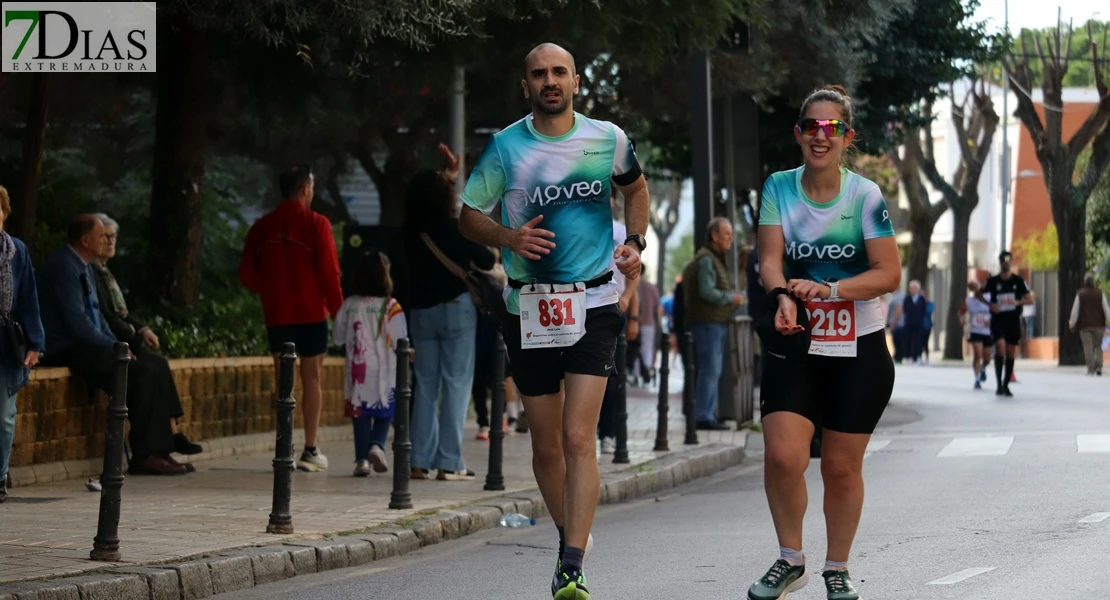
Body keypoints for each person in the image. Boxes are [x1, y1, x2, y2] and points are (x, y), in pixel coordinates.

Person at [458, 42, 648, 600]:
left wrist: (635, 241)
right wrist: (509, 237)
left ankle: (569, 566)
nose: (550, 81)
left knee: (576, 435)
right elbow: (468, 215)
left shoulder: (606, 139)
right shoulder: (506, 147)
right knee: (545, 446)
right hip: (529, 306)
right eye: (539, 73)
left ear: (576, 81)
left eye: (559, 72)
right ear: (526, 86)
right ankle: (575, 534)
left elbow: (634, 189)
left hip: (591, 303)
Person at [750, 85, 901, 600]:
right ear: (798, 134)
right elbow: (770, 258)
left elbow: (888, 273)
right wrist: (781, 295)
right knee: (783, 456)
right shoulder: (778, 188)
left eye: (832, 128)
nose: (820, 136)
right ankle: (790, 559)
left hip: (858, 346)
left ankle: (838, 567)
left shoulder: (865, 196)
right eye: (811, 127)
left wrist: (833, 289)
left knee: (839, 467)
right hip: (796, 339)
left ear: (847, 137)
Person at [38, 215, 186, 475]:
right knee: (139, 375)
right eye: (101, 236)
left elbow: (97, 316)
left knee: (151, 366)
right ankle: (144, 455)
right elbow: (78, 324)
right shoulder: (64, 266)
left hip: (86, 343)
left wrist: (118, 345)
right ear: (85, 240)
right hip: (66, 347)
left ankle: (160, 449)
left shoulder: (84, 266)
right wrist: (111, 347)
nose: (106, 239)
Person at [240, 165, 344, 472]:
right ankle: (310, 449)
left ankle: (284, 444)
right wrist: (339, 314)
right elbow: (329, 274)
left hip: (277, 313)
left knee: (282, 379)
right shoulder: (317, 224)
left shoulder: (262, 226)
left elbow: (247, 273)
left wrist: (270, 290)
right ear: (305, 189)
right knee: (312, 378)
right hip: (311, 311)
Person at [403, 156, 495, 482]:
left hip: (421, 313)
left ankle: (418, 461)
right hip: (457, 310)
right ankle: (449, 462)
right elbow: (485, 257)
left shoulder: (408, 232)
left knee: (425, 385)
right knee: (456, 384)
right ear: (446, 198)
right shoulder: (456, 227)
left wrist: (446, 177)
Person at [90, 213, 203, 459]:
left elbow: (122, 313)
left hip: (121, 340)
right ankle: (151, 450)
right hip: (111, 344)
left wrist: (141, 329)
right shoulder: (91, 271)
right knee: (147, 372)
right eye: (105, 237)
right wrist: (132, 334)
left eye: (113, 237)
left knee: (159, 363)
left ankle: (172, 433)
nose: (110, 242)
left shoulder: (105, 272)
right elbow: (106, 315)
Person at [332, 250, 408, 476]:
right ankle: (377, 445)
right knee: (386, 410)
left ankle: (362, 461)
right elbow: (400, 340)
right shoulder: (391, 306)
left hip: (357, 369)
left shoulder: (350, 305)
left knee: (360, 413)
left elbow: (337, 336)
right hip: (385, 369)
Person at [0, 185, 44, 503]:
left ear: (4, 212)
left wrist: (35, 342)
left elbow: (29, 298)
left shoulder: (16, 251)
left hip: (5, 343)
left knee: (4, 415)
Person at [681, 217, 745, 431]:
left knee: (712, 369)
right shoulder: (708, 259)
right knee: (710, 369)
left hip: (713, 322)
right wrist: (731, 298)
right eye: (726, 234)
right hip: (708, 322)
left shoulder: (713, 257)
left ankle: (707, 413)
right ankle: (704, 416)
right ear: (714, 236)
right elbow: (707, 292)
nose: (730, 238)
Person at [983, 251, 1033, 397]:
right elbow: (979, 294)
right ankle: (999, 384)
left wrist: (1018, 302)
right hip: (998, 320)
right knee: (1000, 348)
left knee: (1010, 353)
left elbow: (1030, 299)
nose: (1006, 263)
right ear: (1000, 263)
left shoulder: (1018, 281)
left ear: (1011, 262)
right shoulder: (993, 281)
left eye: (1008, 260)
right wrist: (989, 304)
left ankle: (1006, 384)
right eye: (1003, 260)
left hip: (1013, 320)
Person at [1069, 274, 1110, 376]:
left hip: (1084, 326)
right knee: (1098, 346)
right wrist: (1109, 320)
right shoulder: (1100, 294)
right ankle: (1099, 367)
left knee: (1088, 346)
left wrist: (1072, 323)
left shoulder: (1080, 294)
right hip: (1099, 325)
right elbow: (1106, 309)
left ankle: (1090, 369)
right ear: (1094, 283)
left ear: (1085, 283)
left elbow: (1075, 311)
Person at [960, 280, 992, 389]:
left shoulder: (989, 297)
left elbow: (997, 310)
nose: (975, 289)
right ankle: (977, 379)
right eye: (972, 288)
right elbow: (961, 311)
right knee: (978, 354)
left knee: (987, 358)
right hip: (975, 330)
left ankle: (983, 367)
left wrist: (991, 321)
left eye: (976, 286)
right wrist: (962, 318)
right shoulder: (968, 300)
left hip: (987, 331)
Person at [901, 280, 927, 364]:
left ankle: (917, 357)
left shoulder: (921, 299)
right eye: (911, 288)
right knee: (907, 340)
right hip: (908, 323)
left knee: (918, 341)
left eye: (914, 288)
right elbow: (905, 310)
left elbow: (923, 310)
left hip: (918, 323)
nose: (912, 290)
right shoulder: (907, 298)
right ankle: (908, 357)